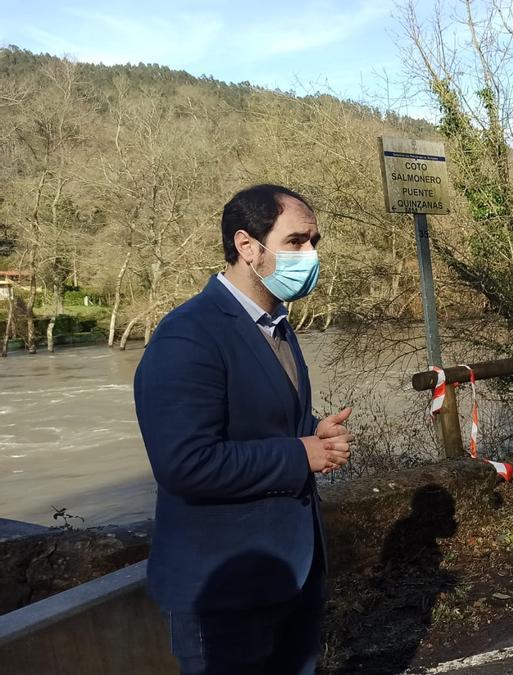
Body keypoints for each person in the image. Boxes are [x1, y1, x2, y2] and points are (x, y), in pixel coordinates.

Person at [134, 184, 355, 675]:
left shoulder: (276, 323)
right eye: (297, 241)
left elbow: (260, 424)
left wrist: (315, 433)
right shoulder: (188, 334)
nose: (311, 254)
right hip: (225, 594)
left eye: (314, 241)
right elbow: (184, 464)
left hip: (290, 577)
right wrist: (302, 454)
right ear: (247, 246)